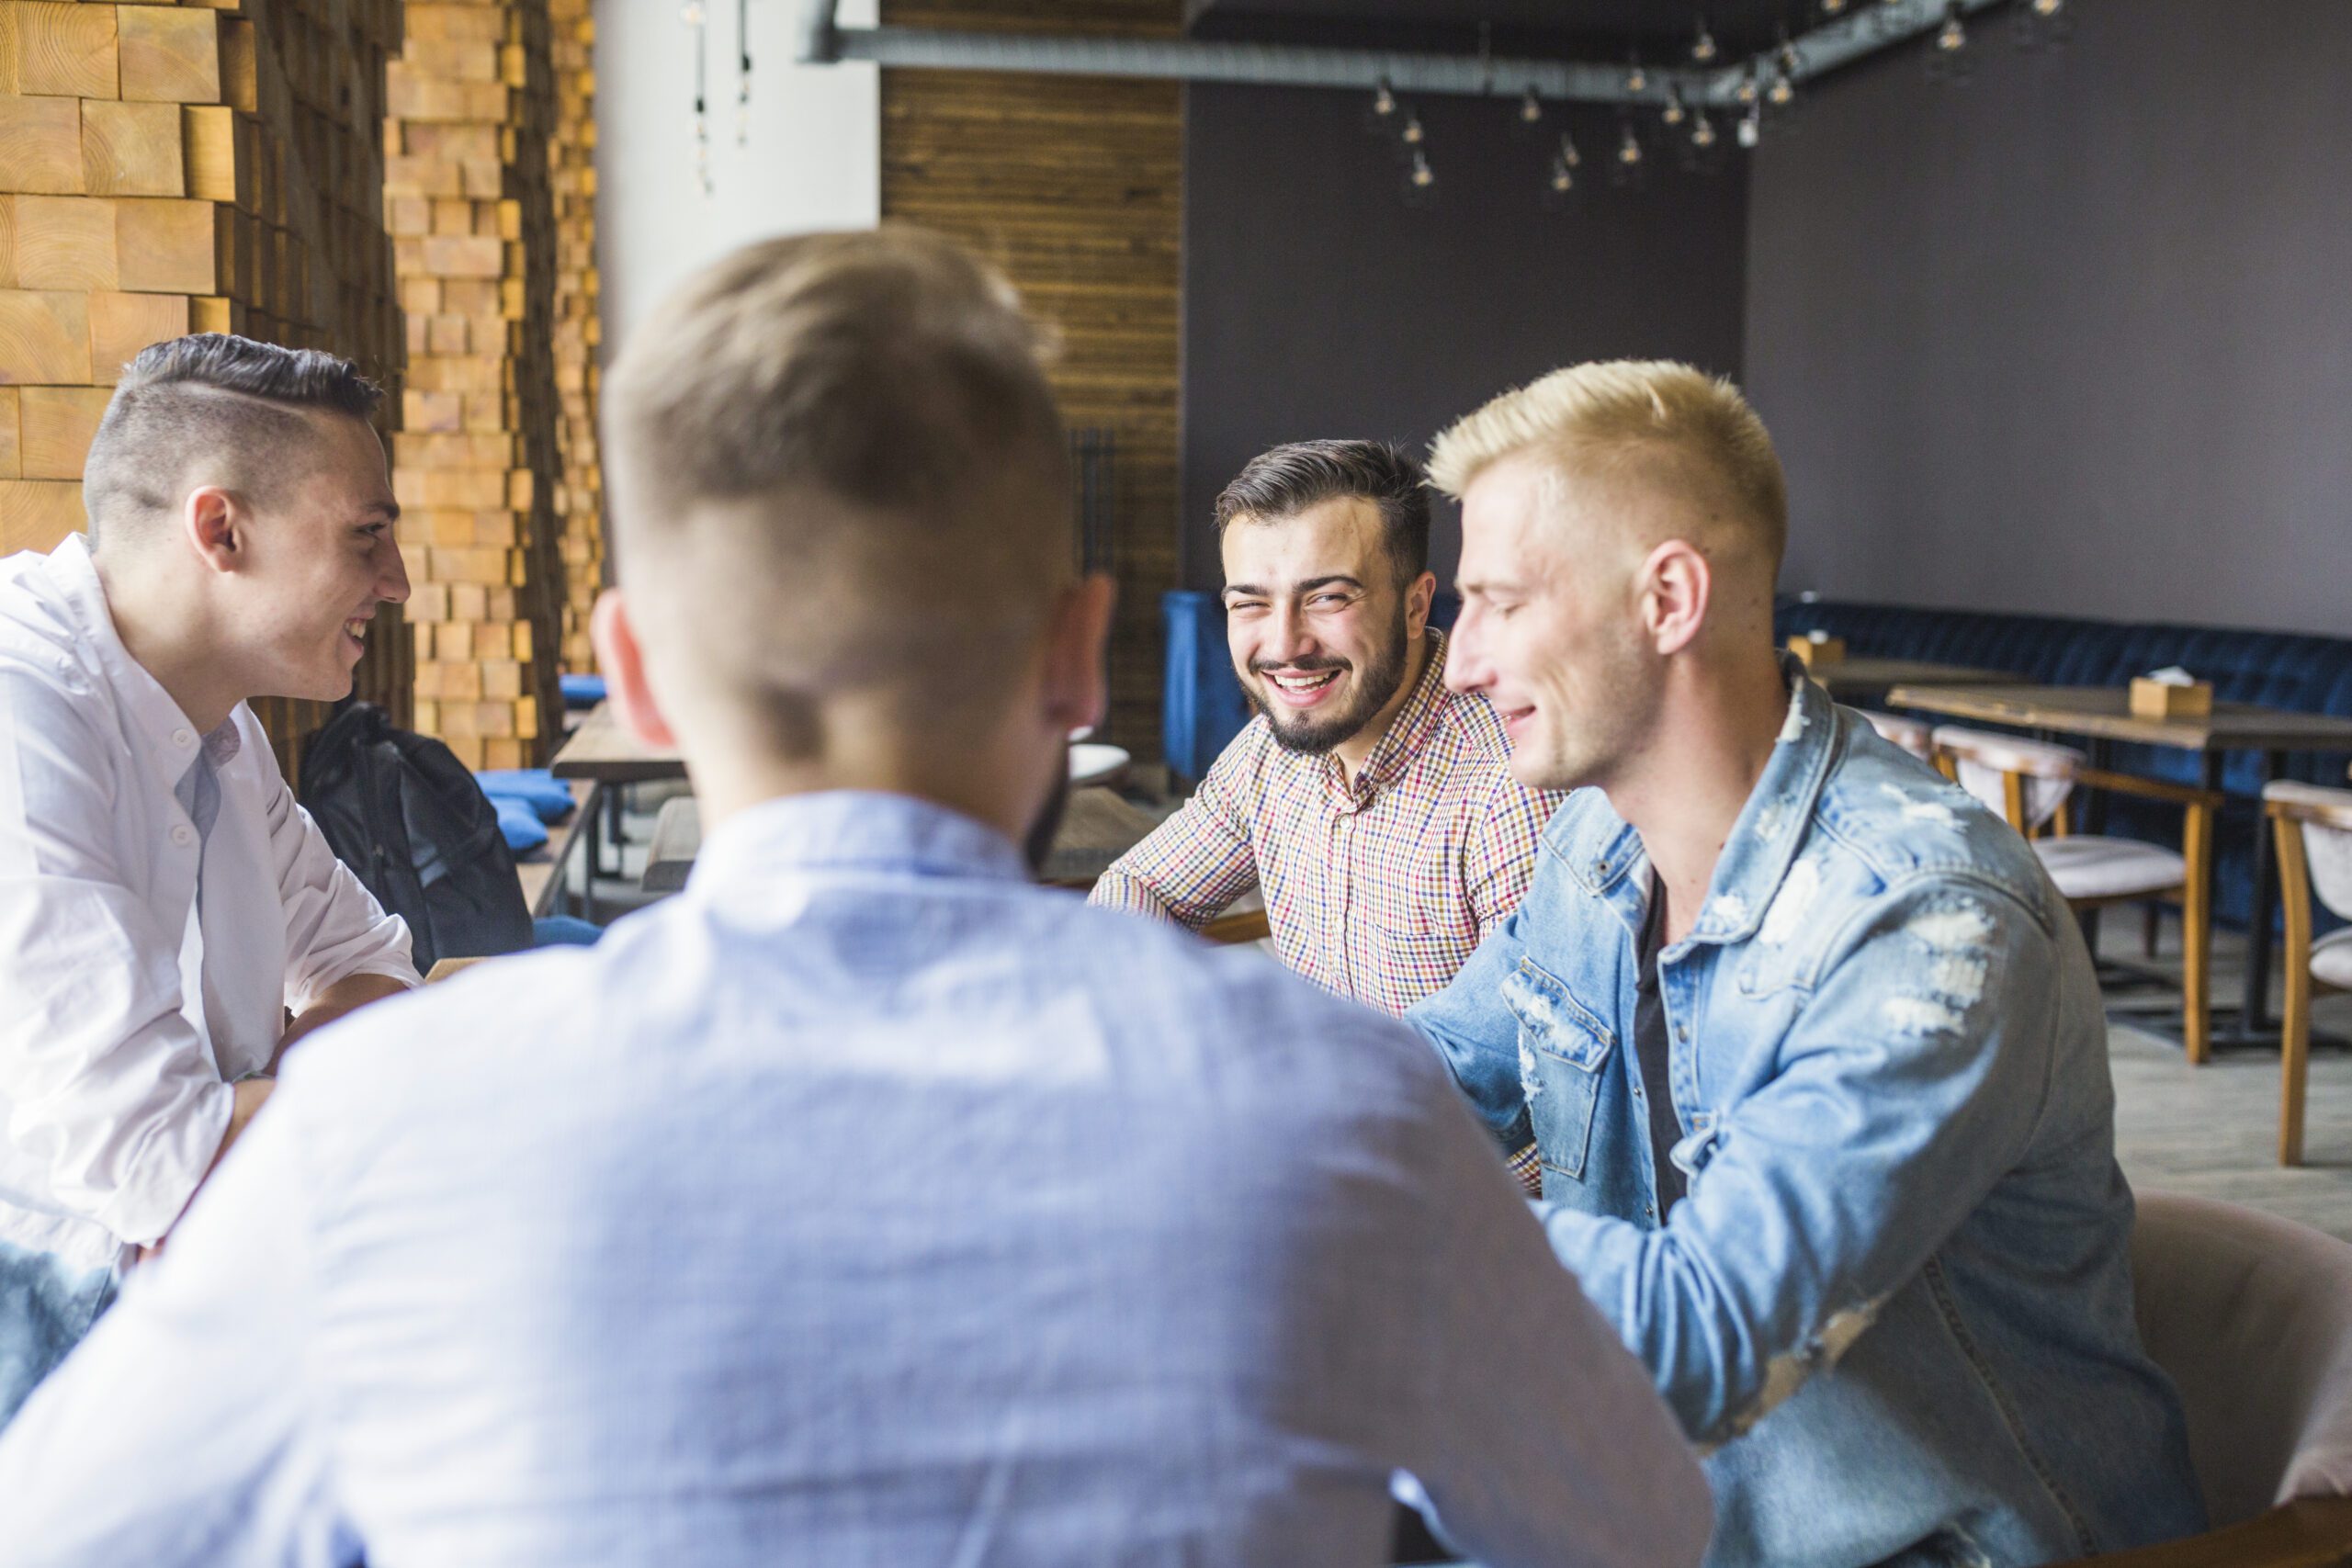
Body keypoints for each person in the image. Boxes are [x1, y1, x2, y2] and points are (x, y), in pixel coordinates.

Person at [0, 232, 1711, 1568]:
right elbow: (1644, 1525)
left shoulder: (375, 1149)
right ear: (1071, 657)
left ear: (638, 680)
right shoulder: (1350, 1113)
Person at [1408, 360, 2204, 1566]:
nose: (1460, 661)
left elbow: (1698, 1335)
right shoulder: (1593, 846)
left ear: (1669, 597)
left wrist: (1344, 1208)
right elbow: (1429, 1070)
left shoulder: (1932, 917)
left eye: (1499, 602)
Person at [0, 336, 420, 1428]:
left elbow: (366, 963)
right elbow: (157, 1160)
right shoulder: (18, 719)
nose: (399, 583)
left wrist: (242, 1124)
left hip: (172, 1328)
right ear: (220, 530)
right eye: (367, 537)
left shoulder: (217, 725)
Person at [1091, 441, 1563, 1021]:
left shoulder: (1510, 788)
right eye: (1251, 604)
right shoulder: (1269, 750)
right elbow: (1143, 886)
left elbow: (1532, 1066)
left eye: (1328, 597)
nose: (1286, 644)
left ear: (1416, 607)